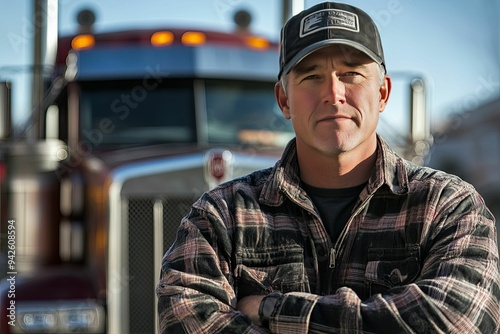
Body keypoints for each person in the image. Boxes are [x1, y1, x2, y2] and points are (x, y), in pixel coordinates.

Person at [156, 2, 500, 333]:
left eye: (351, 73)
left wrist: (271, 308)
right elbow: (184, 322)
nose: (333, 93)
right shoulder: (221, 217)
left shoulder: (447, 206)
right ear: (284, 100)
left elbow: (458, 321)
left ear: (382, 93)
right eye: (311, 76)